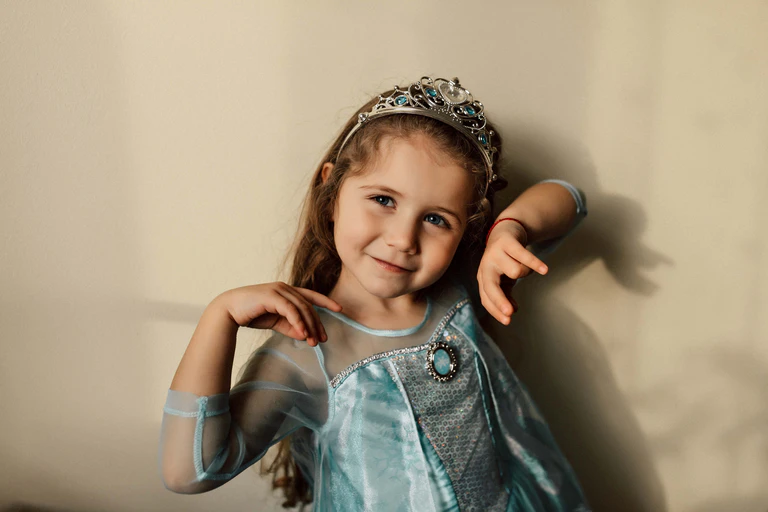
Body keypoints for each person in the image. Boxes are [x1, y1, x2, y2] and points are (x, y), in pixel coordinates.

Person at [158, 76, 591, 511]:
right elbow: (188, 473)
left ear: (465, 228)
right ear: (331, 192)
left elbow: (570, 199)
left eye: (437, 219)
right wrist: (219, 318)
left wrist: (510, 230)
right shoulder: (307, 352)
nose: (403, 239)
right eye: (384, 199)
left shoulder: (467, 283)